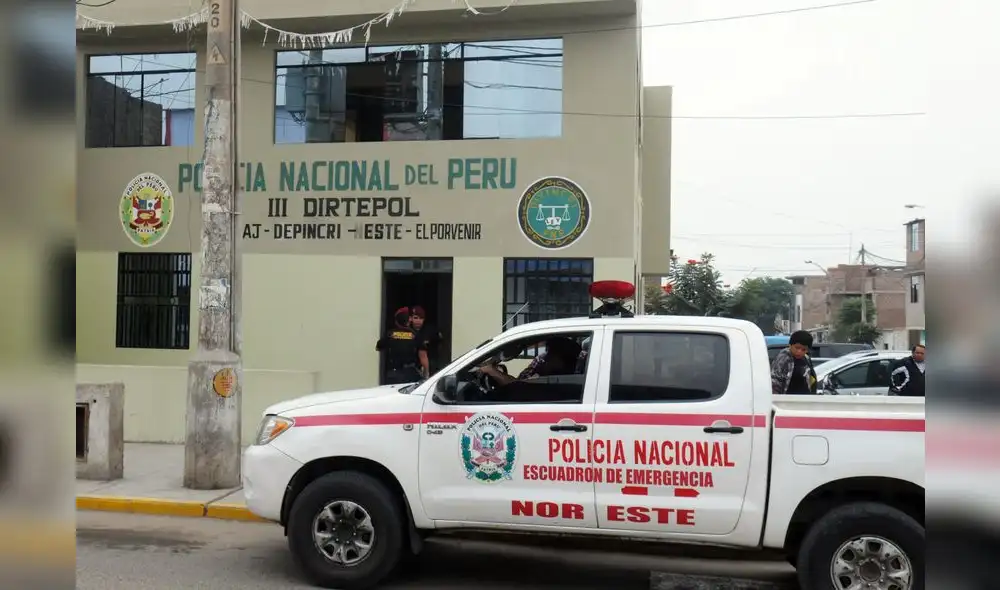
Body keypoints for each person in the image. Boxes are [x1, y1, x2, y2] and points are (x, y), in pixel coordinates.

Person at [479, 337, 582, 386]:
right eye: (547, 351)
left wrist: (491, 370)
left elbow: (516, 386)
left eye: (550, 353)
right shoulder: (542, 369)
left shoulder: (550, 382)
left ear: (562, 360)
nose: (544, 357)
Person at [375, 306, 425, 384]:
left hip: (394, 373)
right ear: (408, 321)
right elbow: (423, 356)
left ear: (396, 322)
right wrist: (426, 374)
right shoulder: (415, 335)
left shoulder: (390, 334)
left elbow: (378, 347)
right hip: (410, 372)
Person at [771, 330, 818, 395]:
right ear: (790, 345)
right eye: (797, 348)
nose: (799, 351)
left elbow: (811, 380)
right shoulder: (783, 358)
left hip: (804, 399)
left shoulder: (806, 359)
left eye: (803, 349)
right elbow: (775, 382)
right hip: (788, 399)